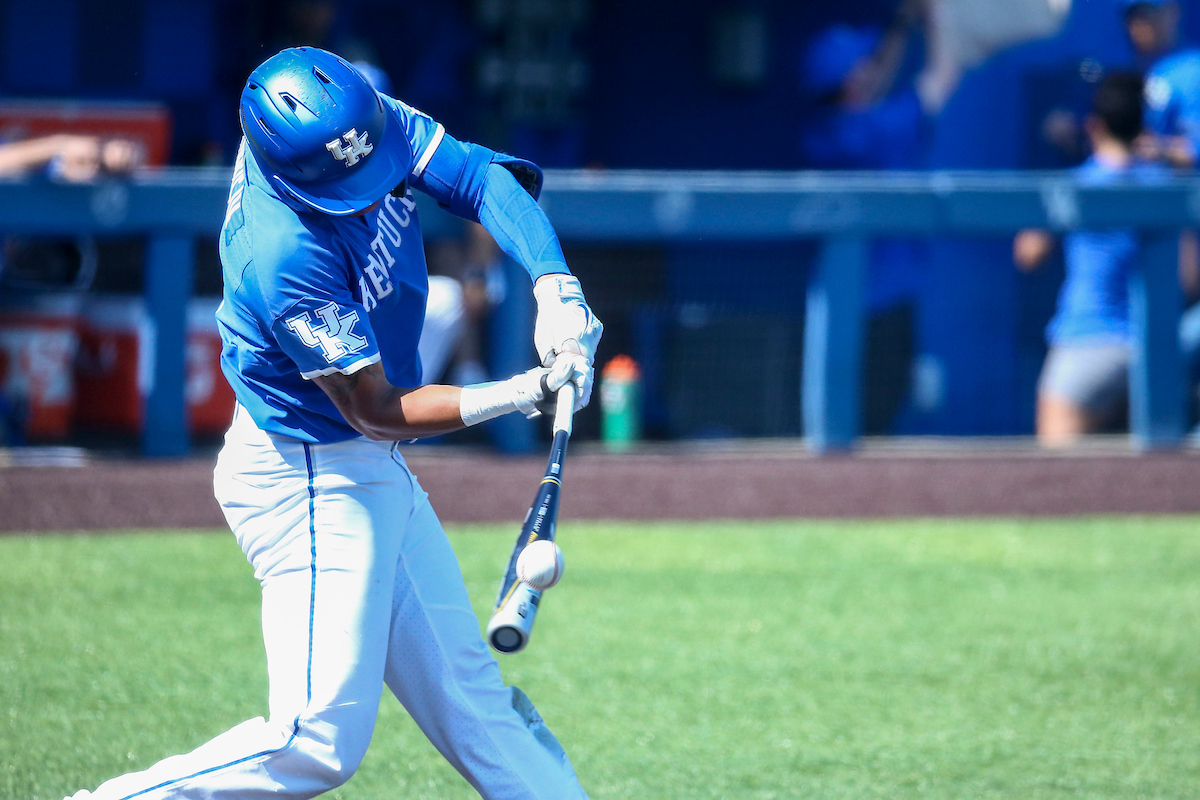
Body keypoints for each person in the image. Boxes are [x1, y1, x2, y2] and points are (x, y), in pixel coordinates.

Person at [63, 46, 601, 800]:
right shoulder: (280, 250)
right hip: (308, 475)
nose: (374, 181)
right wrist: (523, 391)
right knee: (316, 743)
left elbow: (480, 178)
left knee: (480, 709)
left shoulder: (360, 122)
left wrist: (555, 286)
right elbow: (375, 410)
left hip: (363, 467)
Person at [799, 4, 933, 434]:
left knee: (849, 423)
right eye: (863, 64)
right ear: (849, 79)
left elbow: (874, 83)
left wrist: (902, 24)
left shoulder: (828, 130)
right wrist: (936, 25)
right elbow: (939, 80)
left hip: (844, 303)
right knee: (864, 428)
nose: (873, 68)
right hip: (877, 309)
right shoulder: (868, 133)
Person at [1014, 72, 1167, 447]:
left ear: (1095, 125)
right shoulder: (1163, 182)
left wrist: (1065, 152)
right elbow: (1189, 275)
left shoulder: (1077, 183)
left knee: (1058, 480)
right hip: (1154, 349)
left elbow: (1028, 253)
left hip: (1086, 340)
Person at [1120, 0, 1200, 168]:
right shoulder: (1124, 69)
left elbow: (1194, 148)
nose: (1138, 25)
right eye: (1133, 17)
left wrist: (1161, 149)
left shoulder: (1194, 70)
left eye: (1147, 15)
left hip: (1177, 189)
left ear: (1172, 13)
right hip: (1125, 184)